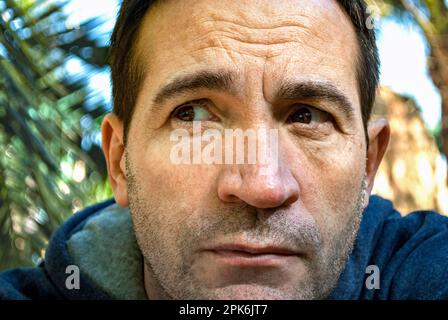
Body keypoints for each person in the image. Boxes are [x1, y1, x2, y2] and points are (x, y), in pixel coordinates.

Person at [1, 0, 447, 300]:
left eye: (306, 116)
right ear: (120, 162)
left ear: (369, 164)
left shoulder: (420, 267)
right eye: (193, 115)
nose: (262, 185)